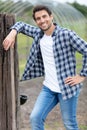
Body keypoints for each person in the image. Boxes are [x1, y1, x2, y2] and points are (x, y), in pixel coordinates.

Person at [3, 5, 87, 130]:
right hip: (48, 88)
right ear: (36, 21)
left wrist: (82, 75)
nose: (42, 20)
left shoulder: (67, 35)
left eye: (44, 16)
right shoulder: (38, 34)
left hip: (67, 88)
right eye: (38, 19)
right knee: (35, 118)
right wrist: (13, 32)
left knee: (70, 124)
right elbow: (21, 25)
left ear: (51, 16)